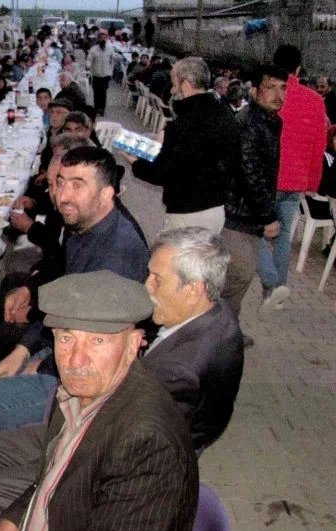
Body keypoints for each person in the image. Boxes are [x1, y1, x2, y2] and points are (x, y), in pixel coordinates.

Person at [0, 271, 199, 531]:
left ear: (133, 345)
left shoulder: (147, 443)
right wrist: (12, 520)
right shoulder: (78, 392)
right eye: (66, 338)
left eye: (97, 340)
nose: (75, 360)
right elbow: (52, 475)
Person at [0, 147, 149, 444]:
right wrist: (24, 350)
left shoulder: (115, 254)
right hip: (69, 339)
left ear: (107, 194)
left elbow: (97, 346)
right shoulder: (85, 225)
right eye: (60, 182)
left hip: (90, 374)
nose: (63, 195)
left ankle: (50, 443)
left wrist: (42, 364)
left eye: (77, 185)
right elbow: (67, 298)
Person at [144, 226, 244, 453]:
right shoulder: (218, 310)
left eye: (157, 279)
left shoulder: (177, 370)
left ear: (192, 290)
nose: (147, 285)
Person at [123, 57, 241, 234]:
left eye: (174, 83)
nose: (172, 89)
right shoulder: (224, 112)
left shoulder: (185, 123)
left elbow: (161, 173)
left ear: (185, 85)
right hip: (216, 210)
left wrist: (133, 160)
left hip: (188, 213)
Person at [256, 45, 328, 318]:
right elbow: (318, 146)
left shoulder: (270, 97)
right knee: (284, 236)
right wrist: (313, 181)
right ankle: (277, 291)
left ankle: (272, 285)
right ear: (299, 68)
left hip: (267, 177)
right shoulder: (315, 101)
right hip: (296, 181)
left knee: (255, 231)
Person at [220, 65, 287, 330]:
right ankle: (219, 337)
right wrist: (268, 216)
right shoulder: (251, 123)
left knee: (238, 278)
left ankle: (227, 332)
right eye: (270, 88)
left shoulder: (270, 121)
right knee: (237, 276)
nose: (278, 95)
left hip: (246, 213)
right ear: (256, 91)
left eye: (283, 88)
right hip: (237, 214)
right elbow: (251, 173)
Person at [86, 32, 115, 116]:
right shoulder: (93, 49)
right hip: (96, 74)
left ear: (107, 39)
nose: (103, 39)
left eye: (105, 37)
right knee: (96, 92)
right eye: (101, 38)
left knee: (103, 93)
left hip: (106, 75)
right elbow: (89, 59)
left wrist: (111, 72)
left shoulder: (110, 49)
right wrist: (88, 65)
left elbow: (112, 61)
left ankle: (102, 109)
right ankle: (96, 108)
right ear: (98, 39)